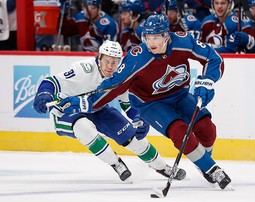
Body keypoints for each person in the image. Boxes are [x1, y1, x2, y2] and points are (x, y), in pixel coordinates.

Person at [58, 14, 232, 190]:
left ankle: (204, 163)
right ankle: (212, 169)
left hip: (179, 94)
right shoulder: (137, 57)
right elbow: (114, 85)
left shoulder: (183, 42)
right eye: (148, 38)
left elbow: (213, 57)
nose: (151, 43)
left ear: (166, 36)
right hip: (150, 103)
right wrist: (87, 102)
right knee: (180, 133)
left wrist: (208, 80)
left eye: (155, 37)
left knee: (207, 129)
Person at [33, 40, 186, 182]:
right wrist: (44, 94)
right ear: (99, 58)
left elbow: (129, 104)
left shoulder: (121, 78)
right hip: (68, 111)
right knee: (84, 127)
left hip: (98, 109)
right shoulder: (84, 69)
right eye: (107, 61)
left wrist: (139, 119)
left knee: (132, 137)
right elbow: (51, 81)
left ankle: (162, 167)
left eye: (115, 62)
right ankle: (116, 163)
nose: (110, 66)